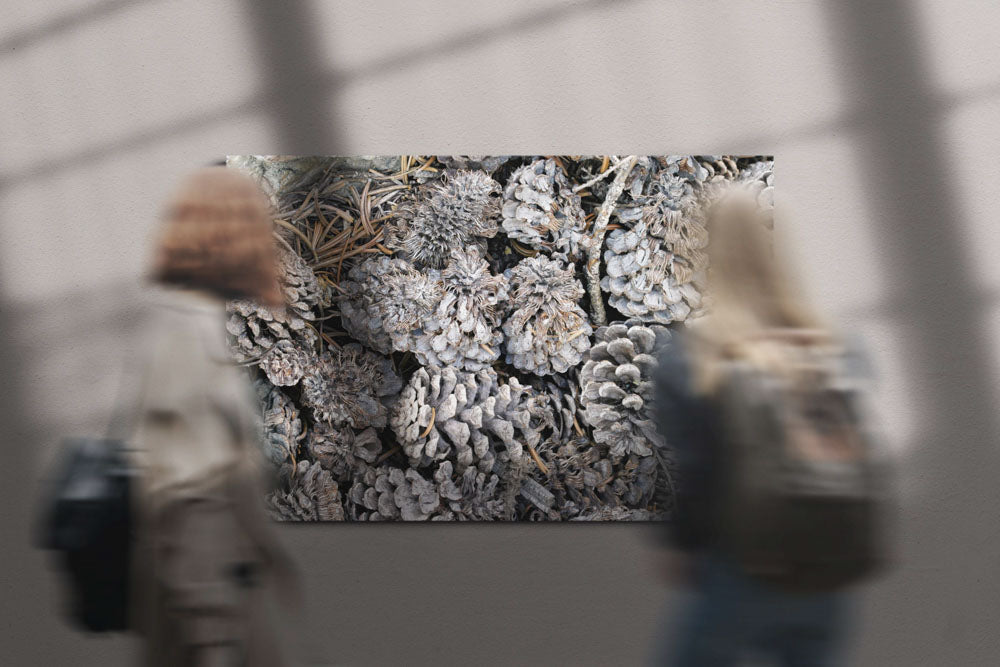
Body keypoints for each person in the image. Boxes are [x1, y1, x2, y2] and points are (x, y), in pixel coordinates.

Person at [652, 189, 865, 666]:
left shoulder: (694, 355)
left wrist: (681, 544)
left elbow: (699, 469)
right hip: (827, 568)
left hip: (740, 564)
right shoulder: (837, 345)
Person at [130, 167, 295, 666]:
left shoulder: (184, 321)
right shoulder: (187, 332)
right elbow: (187, 477)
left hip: (206, 561)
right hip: (203, 562)